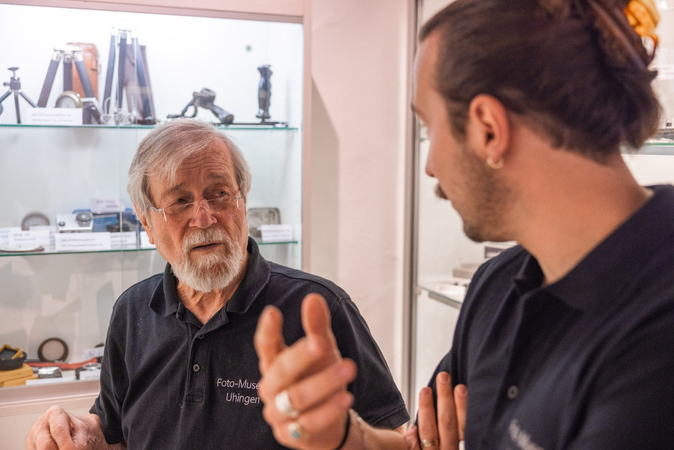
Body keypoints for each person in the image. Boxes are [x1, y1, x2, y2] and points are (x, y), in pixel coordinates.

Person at [254, 0, 674, 449]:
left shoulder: (656, 338)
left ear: (488, 129)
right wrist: (342, 435)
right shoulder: (499, 284)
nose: (431, 166)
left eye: (430, 128)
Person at [25, 119, 409, 449]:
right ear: (147, 224)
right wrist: (82, 434)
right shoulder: (132, 311)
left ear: (243, 201)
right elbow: (114, 432)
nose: (204, 217)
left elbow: (390, 438)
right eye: (179, 201)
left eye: (219, 193)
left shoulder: (319, 308)